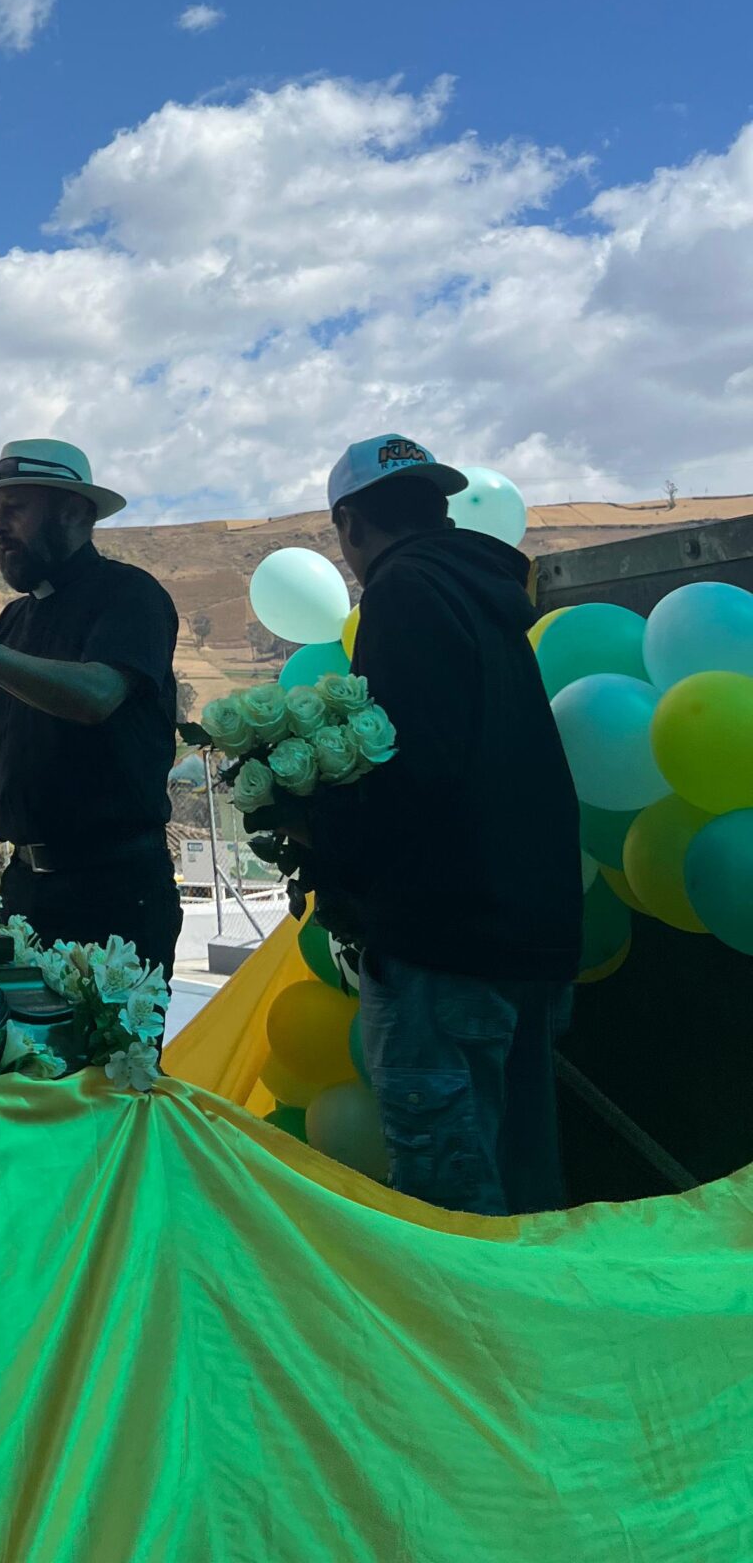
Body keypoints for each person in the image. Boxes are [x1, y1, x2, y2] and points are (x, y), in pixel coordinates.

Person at [306, 434, 583, 1216]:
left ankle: (471, 1342)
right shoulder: (486, 594)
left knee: (451, 1208)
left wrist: (319, 837)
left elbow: (407, 769)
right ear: (438, 506)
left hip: (445, 945)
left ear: (349, 525)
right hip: (530, 937)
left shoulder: (403, 593)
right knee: (527, 1189)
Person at [0, 439, 181, 977]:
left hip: (116, 892)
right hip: (25, 890)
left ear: (74, 511)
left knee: (114, 1063)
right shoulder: (13, 619)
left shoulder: (130, 595)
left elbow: (97, 695)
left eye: (14, 509)